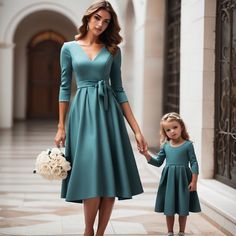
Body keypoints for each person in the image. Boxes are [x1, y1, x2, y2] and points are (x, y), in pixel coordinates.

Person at [54, 1, 146, 235]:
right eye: (97, 18)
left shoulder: (113, 50)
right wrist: (61, 126)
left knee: (109, 176)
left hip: (109, 116)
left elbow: (119, 90)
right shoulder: (68, 48)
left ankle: (100, 233)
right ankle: (88, 230)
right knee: (90, 172)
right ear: (88, 18)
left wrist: (136, 129)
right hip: (82, 115)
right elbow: (65, 88)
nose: (101, 24)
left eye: (106, 21)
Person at [139, 112, 201, 236]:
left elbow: (194, 163)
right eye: (168, 129)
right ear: (165, 132)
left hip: (184, 179)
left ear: (181, 127)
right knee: (169, 207)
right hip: (169, 181)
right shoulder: (165, 146)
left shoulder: (188, 145)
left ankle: (182, 232)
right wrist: (146, 154)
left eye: (175, 127)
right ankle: (170, 232)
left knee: (183, 207)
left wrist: (194, 181)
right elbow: (158, 162)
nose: (172, 131)